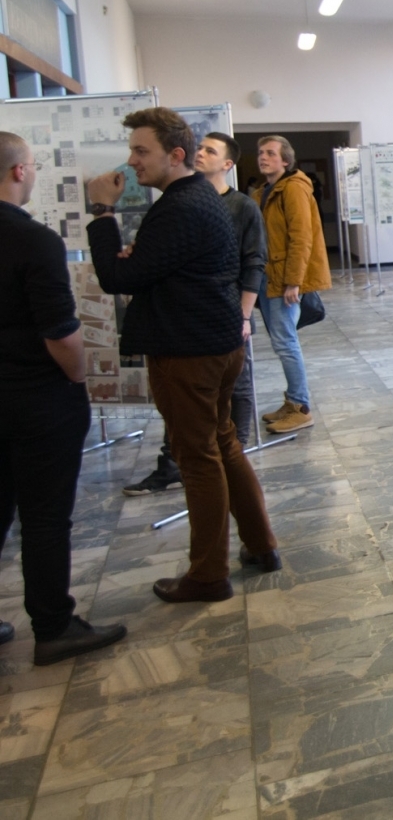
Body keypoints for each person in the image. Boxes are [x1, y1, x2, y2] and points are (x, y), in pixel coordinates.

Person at [85, 108, 279, 602]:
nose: (131, 162)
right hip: (214, 341)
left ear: (176, 155)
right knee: (222, 445)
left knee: (198, 458)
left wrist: (103, 212)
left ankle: (208, 575)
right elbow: (165, 265)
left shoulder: (180, 205)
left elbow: (116, 280)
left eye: (140, 151)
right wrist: (144, 259)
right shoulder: (196, 198)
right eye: (132, 150)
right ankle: (260, 546)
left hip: (189, 350)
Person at [0, 133, 127, 664]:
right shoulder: (32, 241)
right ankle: (53, 626)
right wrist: (78, 377)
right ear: (20, 172)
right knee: (46, 518)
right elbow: (62, 335)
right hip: (36, 401)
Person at [124, 131, 267, 496]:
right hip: (189, 325)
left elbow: (253, 262)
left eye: (210, 151)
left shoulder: (239, 206)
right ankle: (172, 465)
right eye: (199, 148)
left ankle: (237, 454)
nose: (200, 154)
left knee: (230, 402)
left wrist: (244, 315)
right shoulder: (187, 202)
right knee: (191, 421)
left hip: (220, 319)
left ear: (227, 164)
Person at [255, 135, 330, 434]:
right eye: (261, 153)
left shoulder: (294, 189)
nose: (263, 157)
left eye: (271, 153)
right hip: (268, 275)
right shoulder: (265, 191)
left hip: (284, 279)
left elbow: (301, 238)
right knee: (281, 341)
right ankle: (291, 401)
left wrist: (293, 282)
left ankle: (301, 407)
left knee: (286, 342)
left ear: (285, 160)